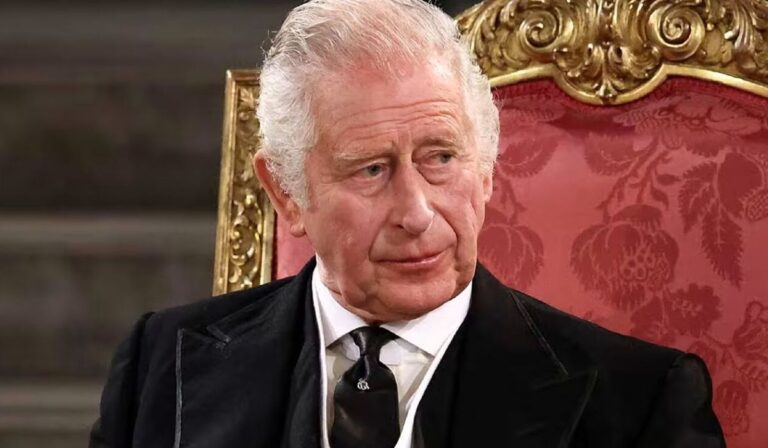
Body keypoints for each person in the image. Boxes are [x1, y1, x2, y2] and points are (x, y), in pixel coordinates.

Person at [90, 0, 725, 447]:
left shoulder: (640, 403)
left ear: (485, 170)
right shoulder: (160, 364)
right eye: (371, 170)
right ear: (286, 193)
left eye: (441, 158)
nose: (417, 214)